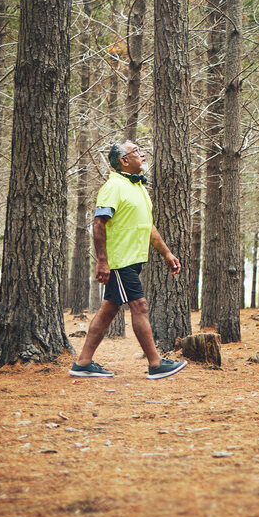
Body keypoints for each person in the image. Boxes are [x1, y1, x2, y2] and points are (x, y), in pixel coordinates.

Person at [70, 140, 187, 380]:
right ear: (124, 160)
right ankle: (155, 364)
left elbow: (148, 226)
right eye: (136, 152)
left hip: (133, 260)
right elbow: (98, 223)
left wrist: (166, 253)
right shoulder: (113, 187)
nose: (142, 155)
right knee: (140, 306)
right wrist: (102, 261)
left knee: (109, 309)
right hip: (119, 261)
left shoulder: (138, 188)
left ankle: (82, 363)